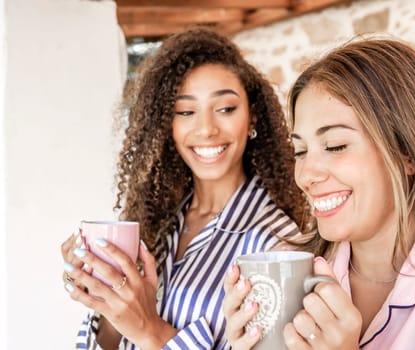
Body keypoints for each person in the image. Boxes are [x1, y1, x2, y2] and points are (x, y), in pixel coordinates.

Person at [222, 36, 415, 349]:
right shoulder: (286, 273)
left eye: (335, 146)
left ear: (408, 152)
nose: (306, 175)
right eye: (299, 151)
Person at [60, 27, 309, 350]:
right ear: (168, 126)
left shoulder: (277, 246)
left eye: (225, 109)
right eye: (185, 112)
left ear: (252, 118)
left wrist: (149, 330)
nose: (206, 129)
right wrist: (108, 300)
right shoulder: (159, 223)